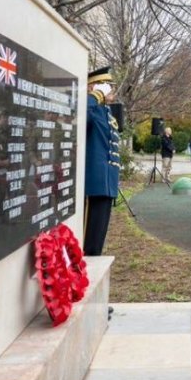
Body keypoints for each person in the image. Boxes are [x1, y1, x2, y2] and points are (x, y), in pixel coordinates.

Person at [84, 66, 121, 257]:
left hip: (106, 183)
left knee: (98, 239)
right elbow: (81, 118)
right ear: (93, 87)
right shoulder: (90, 107)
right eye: (106, 85)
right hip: (94, 183)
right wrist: (95, 95)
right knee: (88, 241)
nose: (110, 89)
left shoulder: (106, 111)